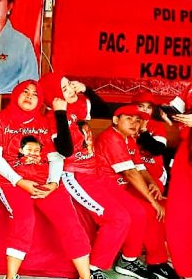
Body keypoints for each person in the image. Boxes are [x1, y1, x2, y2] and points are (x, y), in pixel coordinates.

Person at [0, 80, 92, 279]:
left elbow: (55, 156)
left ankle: (86, 276)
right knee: (25, 218)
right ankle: (11, 276)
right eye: (25, 92)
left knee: (69, 221)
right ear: (16, 94)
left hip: (44, 180)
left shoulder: (45, 121)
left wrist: (53, 182)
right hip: (11, 181)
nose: (29, 96)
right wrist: (19, 181)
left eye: (34, 94)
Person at [39, 73, 132, 279]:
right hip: (75, 174)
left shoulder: (80, 103)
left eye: (69, 85)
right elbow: (65, 150)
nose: (71, 90)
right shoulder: (52, 118)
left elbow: (105, 113)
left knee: (126, 216)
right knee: (118, 219)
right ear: (54, 96)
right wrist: (60, 113)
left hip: (94, 170)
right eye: (64, 89)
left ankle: (101, 265)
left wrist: (86, 89)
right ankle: (93, 270)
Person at [95, 105, 177, 279]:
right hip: (104, 186)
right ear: (116, 120)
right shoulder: (111, 138)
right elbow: (130, 173)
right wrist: (153, 201)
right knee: (139, 212)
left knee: (151, 211)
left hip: (121, 187)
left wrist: (152, 183)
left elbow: (139, 167)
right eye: (129, 118)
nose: (134, 123)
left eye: (138, 120)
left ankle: (154, 261)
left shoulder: (129, 138)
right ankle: (124, 261)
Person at [164, 37, 192, 279]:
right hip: (186, 156)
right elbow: (173, 107)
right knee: (178, 215)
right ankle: (187, 272)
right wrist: (167, 115)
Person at [132, 90, 170, 191]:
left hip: (153, 172)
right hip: (132, 171)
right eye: (141, 106)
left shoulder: (157, 125)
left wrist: (144, 131)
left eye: (149, 107)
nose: (145, 110)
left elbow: (157, 150)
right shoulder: (127, 122)